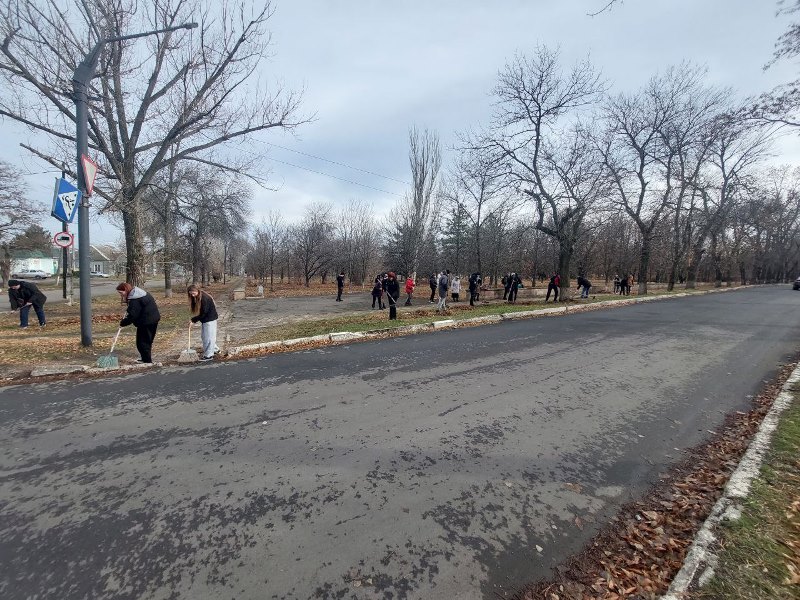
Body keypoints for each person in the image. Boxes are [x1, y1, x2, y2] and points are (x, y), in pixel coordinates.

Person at [117, 282, 161, 364]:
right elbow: (136, 310)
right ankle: (145, 359)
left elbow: (133, 315)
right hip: (152, 319)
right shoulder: (140, 293)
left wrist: (123, 323)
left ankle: (147, 362)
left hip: (146, 322)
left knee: (142, 343)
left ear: (126, 290)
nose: (120, 295)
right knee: (147, 341)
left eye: (121, 292)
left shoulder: (135, 299)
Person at [187, 284, 219, 361]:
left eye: (193, 293)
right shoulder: (199, 296)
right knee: (205, 336)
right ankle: (215, 350)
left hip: (210, 320)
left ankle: (209, 355)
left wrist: (193, 320)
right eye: (190, 293)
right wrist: (193, 319)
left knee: (208, 338)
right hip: (206, 319)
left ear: (197, 290)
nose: (192, 295)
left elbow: (204, 313)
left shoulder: (204, 298)